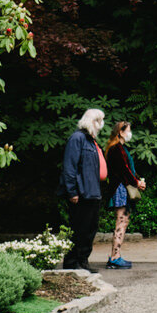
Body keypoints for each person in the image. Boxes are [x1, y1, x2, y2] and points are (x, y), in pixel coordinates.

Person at [60, 108, 106, 272]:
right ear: (91, 121)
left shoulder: (91, 141)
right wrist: (72, 191)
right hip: (81, 193)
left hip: (93, 192)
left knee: (90, 228)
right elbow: (70, 167)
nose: (101, 125)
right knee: (78, 228)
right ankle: (72, 262)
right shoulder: (77, 138)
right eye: (98, 121)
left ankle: (83, 260)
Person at [104, 121, 146, 270]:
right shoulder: (117, 149)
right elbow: (124, 170)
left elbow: (128, 169)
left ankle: (116, 255)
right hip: (120, 188)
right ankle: (115, 257)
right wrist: (137, 183)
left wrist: (137, 180)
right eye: (128, 130)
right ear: (120, 132)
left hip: (121, 187)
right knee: (121, 222)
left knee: (122, 222)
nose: (130, 133)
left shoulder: (120, 148)